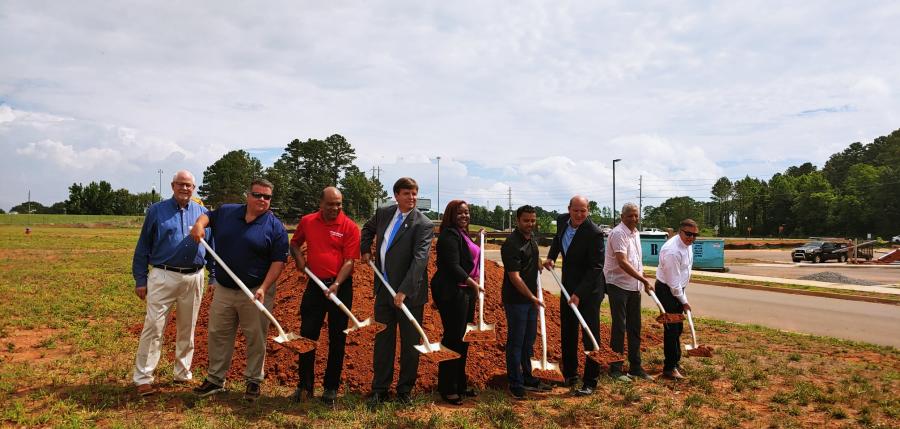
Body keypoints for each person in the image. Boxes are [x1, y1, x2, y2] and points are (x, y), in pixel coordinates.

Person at [189, 178, 289, 401]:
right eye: (257, 194)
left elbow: (278, 262)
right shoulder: (227, 212)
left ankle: (253, 380)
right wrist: (199, 224)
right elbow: (208, 216)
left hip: (255, 291)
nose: (262, 199)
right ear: (248, 195)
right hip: (225, 288)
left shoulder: (275, 227)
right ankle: (215, 379)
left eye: (267, 196)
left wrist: (264, 288)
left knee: (255, 336)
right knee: (218, 334)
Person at [131, 170, 212, 396]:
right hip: (163, 275)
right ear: (172, 185)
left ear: (194, 188)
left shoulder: (203, 213)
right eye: (180, 184)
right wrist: (140, 279)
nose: (185, 189)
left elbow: (211, 247)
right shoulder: (157, 211)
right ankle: (144, 377)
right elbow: (143, 246)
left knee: (188, 327)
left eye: (189, 185)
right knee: (154, 326)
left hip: (194, 277)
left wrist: (213, 275)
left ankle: (182, 373)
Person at [360, 177, 434, 407]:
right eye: (406, 194)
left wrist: (403, 291)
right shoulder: (384, 214)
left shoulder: (423, 224)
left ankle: (404, 390)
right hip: (383, 289)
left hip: (408, 295)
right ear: (396, 195)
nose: (411, 198)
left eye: (414, 193)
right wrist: (365, 249)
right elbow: (367, 228)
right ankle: (380, 389)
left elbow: (420, 260)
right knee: (383, 341)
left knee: (410, 344)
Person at [289, 187, 360, 405]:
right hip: (315, 286)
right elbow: (294, 243)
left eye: (338, 204)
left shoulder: (349, 227)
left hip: (340, 287)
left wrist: (337, 283)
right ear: (320, 203)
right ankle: (304, 385)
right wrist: (300, 260)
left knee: (337, 339)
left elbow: (350, 261)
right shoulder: (308, 221)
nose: (335, 208)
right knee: (307, 336)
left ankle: (331, 388)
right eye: (330, 204)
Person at [543, 196, 605, 396]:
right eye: (576, 210)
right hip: (567, 287)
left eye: (583, 211)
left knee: (590, 335)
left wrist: (579, 293)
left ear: (588, 211)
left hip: (589, 291)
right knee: (568, 332)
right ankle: (570, 374)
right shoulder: (562, 221)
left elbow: (596, 267)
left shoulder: (594, 233)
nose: (579, 215)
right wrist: (552, 256)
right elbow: (557, 240)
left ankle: (590, 381)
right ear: (569, 209)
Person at [431, 200, 484, 405]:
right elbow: (452, 266)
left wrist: (479, 239)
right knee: (453, 338)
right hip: (452, 292)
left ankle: (459, 383)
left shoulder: (463, 235)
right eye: (460, 213)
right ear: (451, 215)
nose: (464, 216)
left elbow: (470, 259)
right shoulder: (448, 235)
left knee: (463, 339)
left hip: (466, 292)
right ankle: (447, 387)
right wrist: (472, 283)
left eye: (467, 212)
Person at [501, 205, 552, 399]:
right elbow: (514, 277)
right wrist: (532, 297)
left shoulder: (532, 240)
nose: (530, 224)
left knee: (528, 341)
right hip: (516, 301)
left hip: (531, 301)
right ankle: (515, 382)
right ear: (517, 221)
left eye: (532, 220)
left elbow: (532, 261)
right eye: (526, 220)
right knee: (516, 341)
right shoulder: (511, 244)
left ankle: (528, 377)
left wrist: (542, 264)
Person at [603, 202, 654, 382]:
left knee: (635, 327)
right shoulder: (618, 233)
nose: (634, 219)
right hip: (618, 285)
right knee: (619, 327)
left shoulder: (636, 234)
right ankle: (615, 369)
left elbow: (636, 260)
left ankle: (635, 367)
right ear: (622, 217)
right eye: (630, 216)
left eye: (636, 216)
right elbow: (622, 262)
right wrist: (643, 279)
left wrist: (642, 278)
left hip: (634, 286)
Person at [655, 219, 699, 380]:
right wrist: (684, 301)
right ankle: (669, 367)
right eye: (688, 234)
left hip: (677, 289)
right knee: (671, 330)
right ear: (680, 232)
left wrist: (683, 296)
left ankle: (675, 361)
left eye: (695, 235)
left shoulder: (687, 245)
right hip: (667, 291)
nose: (691, 238)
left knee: (678, 328)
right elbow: (673, 284)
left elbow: (683, 274)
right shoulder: (672, 251)